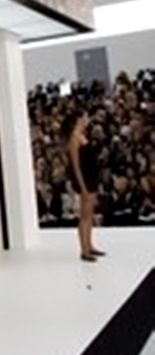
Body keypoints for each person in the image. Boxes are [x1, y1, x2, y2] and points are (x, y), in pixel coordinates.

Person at [63, 108, 105, 261]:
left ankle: (89, 245)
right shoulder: (74, 139)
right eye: (86, 116)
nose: (88, 119)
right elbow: (76, 166)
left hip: (91, 177)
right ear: (79, 119)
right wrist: (83, 188)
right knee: (85, 216)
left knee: (89, 214)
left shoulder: (82, 135)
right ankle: (84, 250)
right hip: (85, 180)